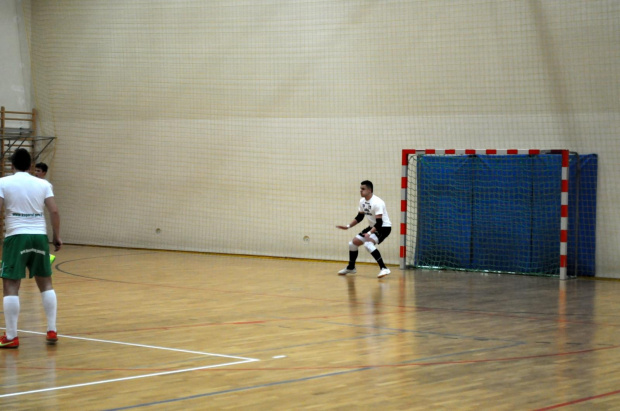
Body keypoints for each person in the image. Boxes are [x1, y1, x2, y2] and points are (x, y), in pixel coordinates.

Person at [0, 149, 62, 348]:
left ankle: (11, 337)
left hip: (16, 236)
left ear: (12, 165)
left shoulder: (3, 182)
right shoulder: (43, 184)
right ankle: (52, 330)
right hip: (39, 237)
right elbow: (54, 210)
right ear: (30, 165)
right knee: (46, 284)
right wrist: (56, 236)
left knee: (10, 285)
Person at [336, 180, 392, 278]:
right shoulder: (362, 201)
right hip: (373, 226)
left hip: (384, 227)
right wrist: (348, 226)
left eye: (363, 189)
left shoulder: (378, 202)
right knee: (353, 243)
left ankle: (384, 268)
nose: (360, 191)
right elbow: (360, 217)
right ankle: (351, 267)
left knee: (368, 244)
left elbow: (380, 223)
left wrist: (369, 233)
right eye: (360, 189)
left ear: (369, 190)